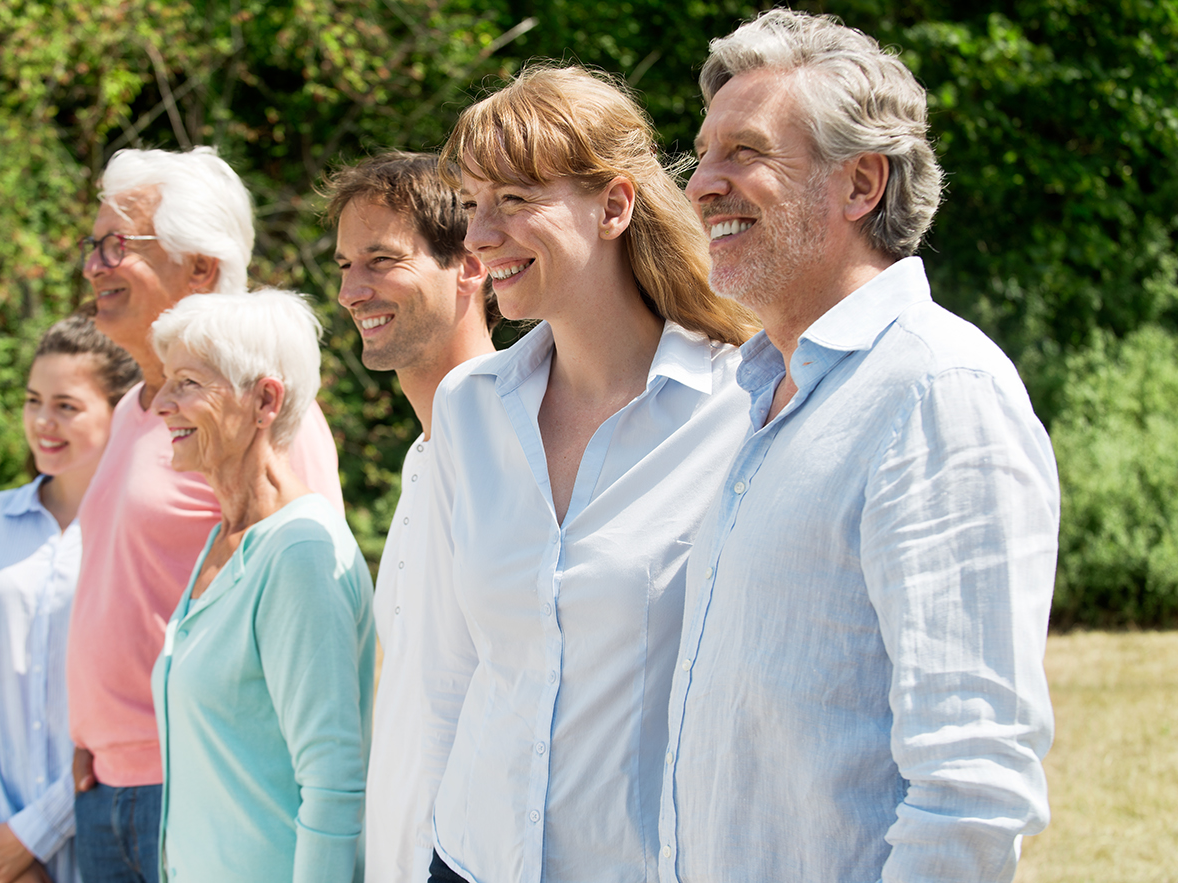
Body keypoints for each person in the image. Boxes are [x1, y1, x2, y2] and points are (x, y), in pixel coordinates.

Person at [656, 11, 1059, 883]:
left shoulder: (936, 393)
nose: (700, 186)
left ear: (860, 183)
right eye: (703, 154)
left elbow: (971, 786)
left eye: (745, 153)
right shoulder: (762, 396)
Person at [420, 66, 759, 883]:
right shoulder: (467, 408)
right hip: (470, 858)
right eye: (471, 204)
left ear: (613, 206)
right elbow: (448, 677)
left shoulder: (742, 405)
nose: (479, 236)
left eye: (513, 199)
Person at [65, 146, 344, 883]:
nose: (92, 265)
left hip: (198, 785)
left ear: (200, 267)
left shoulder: (264, 420)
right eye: (93, 244)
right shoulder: (134, 411)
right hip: (109, 785)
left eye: (117, 245)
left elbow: (317, 619)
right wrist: (92, 729)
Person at [148, 290, 374, 882]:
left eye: (186, 383)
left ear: (265, 400)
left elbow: (333, 782)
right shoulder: (226, 538)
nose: (161, 404)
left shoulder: (298, 553)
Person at [324, 151, 496, 883]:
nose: (351, 291)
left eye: (382, 260)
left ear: (471, 266)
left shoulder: (511, 450)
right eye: (344, 266)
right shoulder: (424, 456)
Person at [0, 315, 140, 883]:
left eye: (66, 406)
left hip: (101, 846)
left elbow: (140, 709)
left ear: (120, 412)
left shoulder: (138, 535)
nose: (43, 422)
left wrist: (33, 835)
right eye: (33, 401)